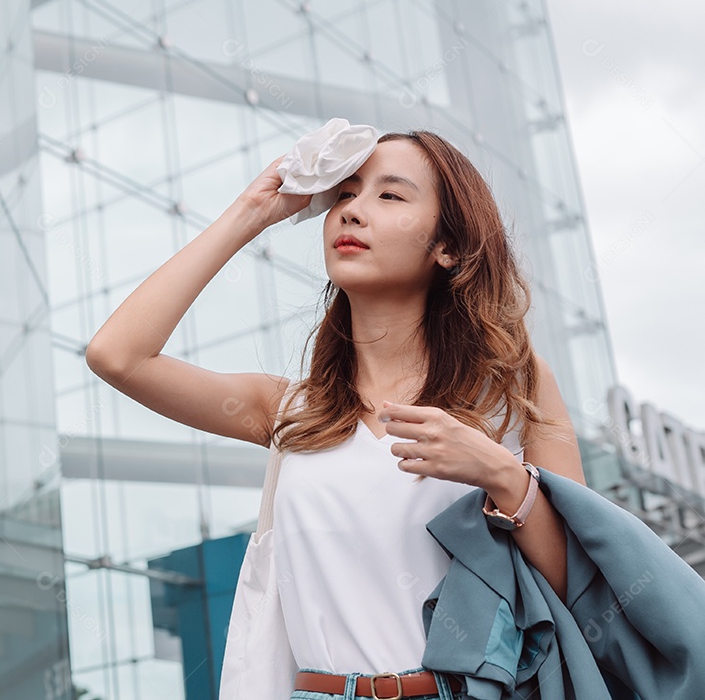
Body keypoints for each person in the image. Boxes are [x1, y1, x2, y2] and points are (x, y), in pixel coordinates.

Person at [85, 129, 588, 700]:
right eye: (344, 194)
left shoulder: (514, 389)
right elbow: (116, 356)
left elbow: (578, 581)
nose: (352, 211)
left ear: (447, 246)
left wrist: (502, 475)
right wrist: (253, 211)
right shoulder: (292, 414)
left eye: (389, 196)